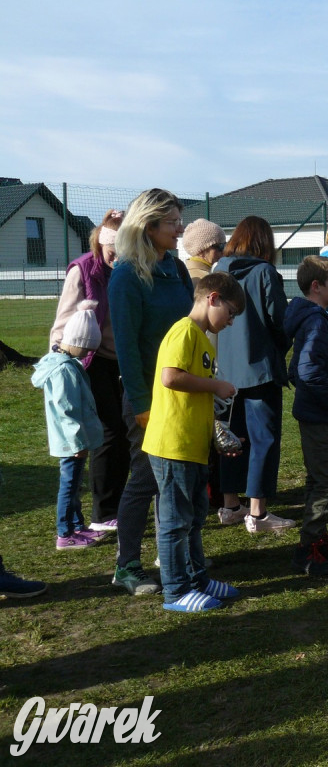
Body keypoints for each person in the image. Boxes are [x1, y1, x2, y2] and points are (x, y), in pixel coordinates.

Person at [143, 272, 244, 612]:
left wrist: (216, 429)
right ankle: (175, 591)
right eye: (230, 313)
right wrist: (215, 386)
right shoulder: (184, 331)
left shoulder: (201, 337)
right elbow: (170, 377)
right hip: (173, 444)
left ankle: (197, 579)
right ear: (212, 298)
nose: (230, 322)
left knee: (195, 517)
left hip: (192, 445)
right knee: (174, 522)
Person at [109, 189, 194, 596]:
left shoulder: (176, 268)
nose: (181, 229)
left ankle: (172, 554)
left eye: (180, 220)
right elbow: (125, 346)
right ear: (149, 226)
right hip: (147, 396)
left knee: (177, 480)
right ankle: (127, 566)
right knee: (144, 480)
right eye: (173, 222)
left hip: (182, 391)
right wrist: (141, 405)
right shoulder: (126, 275)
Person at [213, 216, 295, 533]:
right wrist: (281, 346)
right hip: (260, 370)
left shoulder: (218, 271)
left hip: (225, 372)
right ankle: (258, 514)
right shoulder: (265, 273)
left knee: (232, 439)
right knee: (263, 440)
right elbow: (280, 320)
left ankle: (230, 505)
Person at [49, 209, 127, 533]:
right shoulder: (82, 271)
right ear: (101, 243)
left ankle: (116, 503)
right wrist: (62, 365)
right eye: (113, 251)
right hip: (87, 362)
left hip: (118, 360)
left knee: (122, 430)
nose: (117, 258)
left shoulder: (124, 271)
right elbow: (62, 325)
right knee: (109, 430)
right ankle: (104, 511)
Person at [283, 256, 328, 576]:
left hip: (315, 412)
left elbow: (297, 368)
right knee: (327, 480)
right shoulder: (315, 321)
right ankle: (308, 550)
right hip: (319, 414)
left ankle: (319, 539)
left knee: (318, 477)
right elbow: (308, 372)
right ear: (316, 286)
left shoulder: (313, 317)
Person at [32, 300, 107, 549]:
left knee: (74, 486)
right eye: (86, 350)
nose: (87, 355)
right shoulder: (64, 371)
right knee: (69, 486)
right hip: (72, 442)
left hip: (74, 440)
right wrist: (77, 441)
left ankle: (77, 526)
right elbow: (67, 410)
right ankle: (65, 533)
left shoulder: (60, 362)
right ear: (77, 343)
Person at [181, 219, 226, 286]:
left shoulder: (184, 273)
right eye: (220, 246)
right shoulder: (206, 280)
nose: (224, 251)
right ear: (201, 251)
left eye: (225, 245)